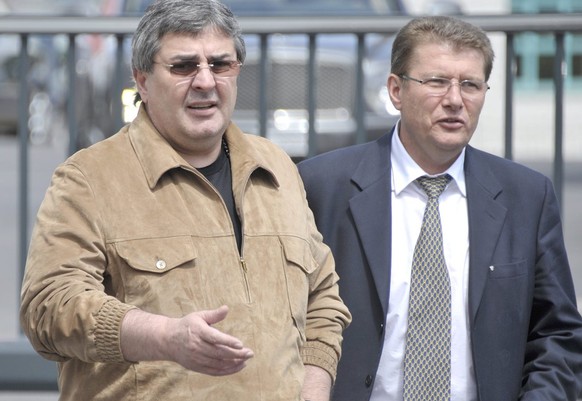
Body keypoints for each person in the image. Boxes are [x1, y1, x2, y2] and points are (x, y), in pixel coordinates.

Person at [19, 0, 350, 400]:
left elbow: (323, 298)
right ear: (142, 80)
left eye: (220, 64)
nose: (206, 81)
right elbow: (49, 309)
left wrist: (313, 389)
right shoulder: (90, 179)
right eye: (183, 66)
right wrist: (165, 337)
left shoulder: (276, 167)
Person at [298, 15, 582, 401]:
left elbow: (557, 333)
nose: (454, 99)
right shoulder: (320, 186)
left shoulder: (526, 196)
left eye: (470, 84)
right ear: (396, 90)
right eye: (436, 82)